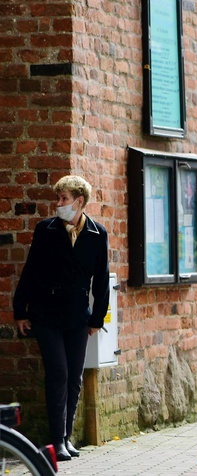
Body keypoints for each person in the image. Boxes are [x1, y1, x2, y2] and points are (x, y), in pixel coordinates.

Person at [13, 175, 110, 462]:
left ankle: (66, 437)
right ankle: (56, 441)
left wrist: (97, 318)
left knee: (74, 378)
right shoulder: (46, 230)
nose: (58, 204)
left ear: (79, 201)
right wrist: (21, 310)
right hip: (45, 312)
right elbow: (30, 270)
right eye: (58, 199)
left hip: (78, 315)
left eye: (63, 199)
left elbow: (101, 279)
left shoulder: (97, 233)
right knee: (58, 373)